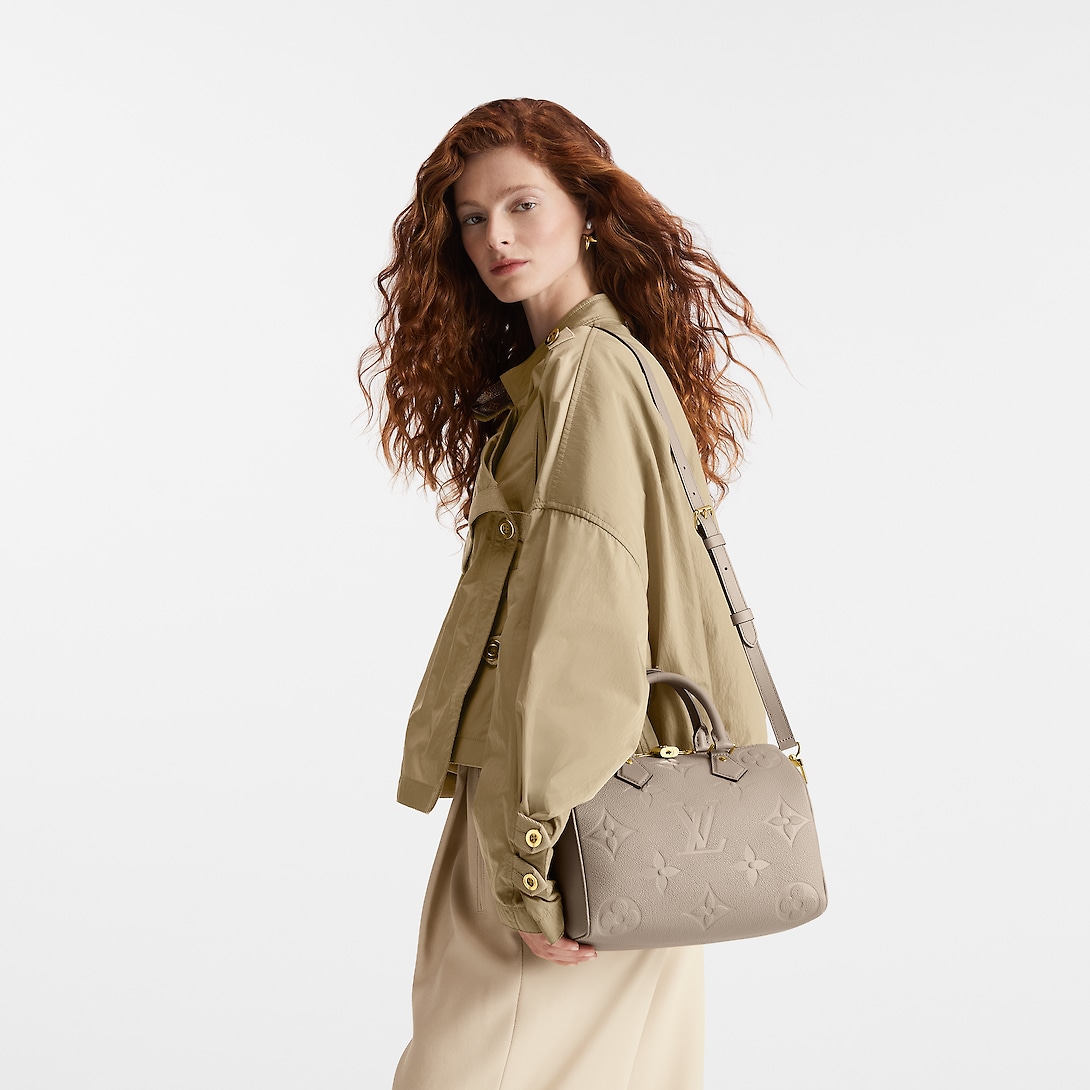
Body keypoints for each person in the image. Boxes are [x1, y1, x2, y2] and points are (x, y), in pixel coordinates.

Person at [359, 98, 779, 1090]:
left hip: (566, 822)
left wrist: (529, 859)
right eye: (471, 218)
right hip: (638, 823)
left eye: (522, 205)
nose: (494, 238)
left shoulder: (585, 377)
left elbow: (579, 637)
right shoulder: (598, 365)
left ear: (586, 209)